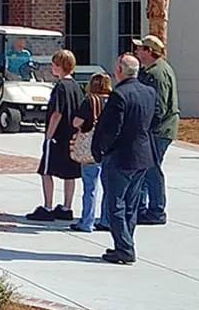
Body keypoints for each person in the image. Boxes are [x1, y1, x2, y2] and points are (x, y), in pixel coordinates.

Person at [89, 54, 155, 264]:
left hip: (120, 157)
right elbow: (156, 118)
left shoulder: (119, 95)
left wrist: (100, 149)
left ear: (119, 70)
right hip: (142, 156)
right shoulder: (149, 92)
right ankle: (125, 243)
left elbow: (110, 129)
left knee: (115, 204)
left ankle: (125, 248)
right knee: (131, 205)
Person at [32, 48, 82, 220]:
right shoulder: (76, 86)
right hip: (72, 136)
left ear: (60, 66)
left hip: (57, 137)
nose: (51, 67)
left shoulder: (60, 87)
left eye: (53, 64)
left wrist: (48, 136)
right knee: (70, 173)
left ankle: (47, 207)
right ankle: (67, 207)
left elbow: (57, 113)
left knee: (46, 171)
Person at [135, 34, 178, 225]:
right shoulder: (151, 70)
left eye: (140, 48)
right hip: (157, 129)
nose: (137, 51)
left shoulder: (157, 74)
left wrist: (145, 129)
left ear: (149, 52)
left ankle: (156, 211)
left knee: (152, 170)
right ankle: (141, 208)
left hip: (158, 130)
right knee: (146, 168)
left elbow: (158, 107)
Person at [72, 73, 110, 231]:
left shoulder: (90, 101)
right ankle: (106, 220)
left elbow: (76, 122)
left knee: (90, 188)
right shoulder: (113, 100)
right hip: (109, 148)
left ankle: (87, 221)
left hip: (91, 149)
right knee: (109, 188)